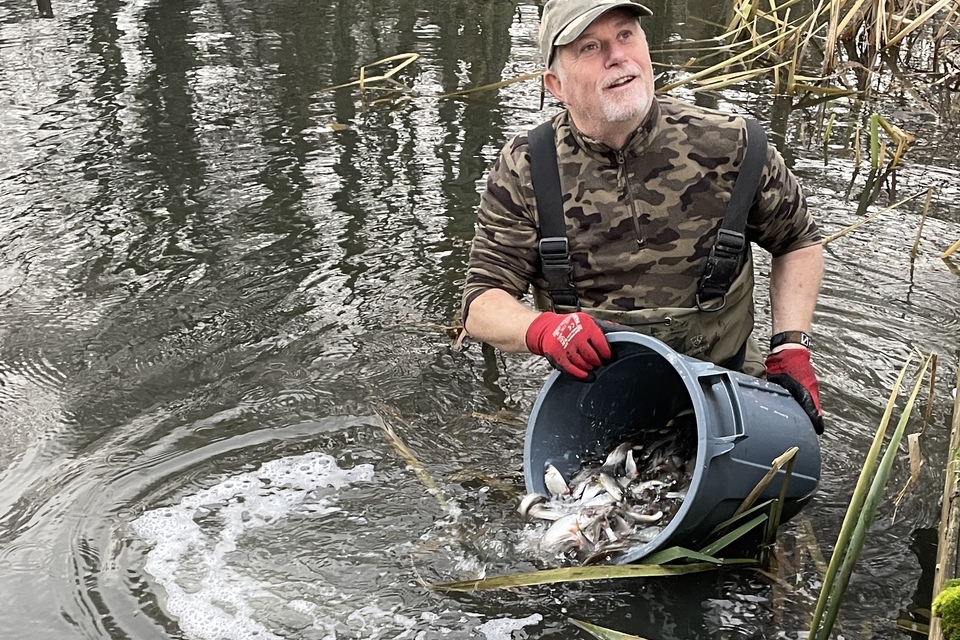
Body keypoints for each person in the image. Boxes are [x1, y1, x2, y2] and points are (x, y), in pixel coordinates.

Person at [460, 0, 825, 433]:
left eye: (626, 35)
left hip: (728, 384)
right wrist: (545, 330)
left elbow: (797, 242)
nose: (617, 56)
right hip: (597, 394)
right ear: (555, 84)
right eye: (591, 47)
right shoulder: (526, 167)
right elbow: (482, 302)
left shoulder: (733, 144)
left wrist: (790, 347)